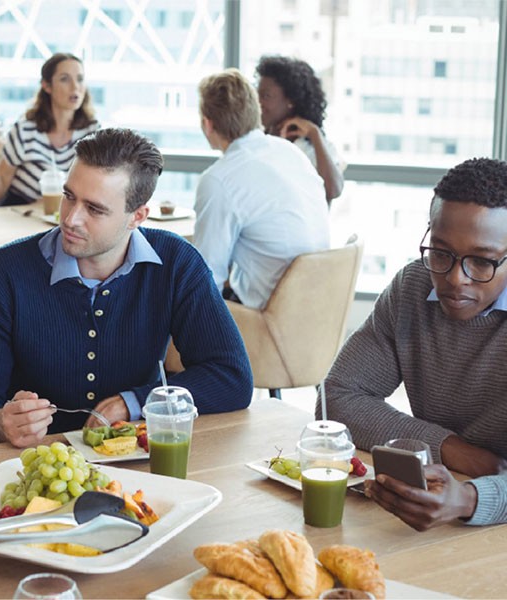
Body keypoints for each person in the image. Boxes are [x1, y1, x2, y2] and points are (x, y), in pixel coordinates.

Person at [0, 127, 253, 448]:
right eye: (69, 197)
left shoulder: (177, 263)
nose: (71, 219)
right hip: (30, 460)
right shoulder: (2, 273)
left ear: (137, 217)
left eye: (94, 208)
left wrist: (136, 402)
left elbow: (231, 378)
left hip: (131, 454)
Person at [322, 157, 507, 529]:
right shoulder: (412, 288)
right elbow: (339, 397)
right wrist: (452, 449)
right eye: (441, 253)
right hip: (441, 505)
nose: (456, 279)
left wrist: (471, 499)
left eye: (483, 262)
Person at [193, 68, 329, 309]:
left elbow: (206, 277)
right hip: (317, 311)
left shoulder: (219, 179)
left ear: (208, 124)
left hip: (268, 319)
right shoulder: (290, 152)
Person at [0, 52, 99, 206]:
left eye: (80, 79)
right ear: (47, 86)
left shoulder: (92, 132)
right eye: (64, 79)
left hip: (65, 218)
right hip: (21, 216)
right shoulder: (24, 131)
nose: (75, 87)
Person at [256, 55, 344, 203]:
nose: (258, 102)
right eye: (257, 94)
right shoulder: (256, 142)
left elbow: (332, 190)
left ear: (291, 100)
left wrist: (314, 134)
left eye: (266, 96)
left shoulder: (315, 148)